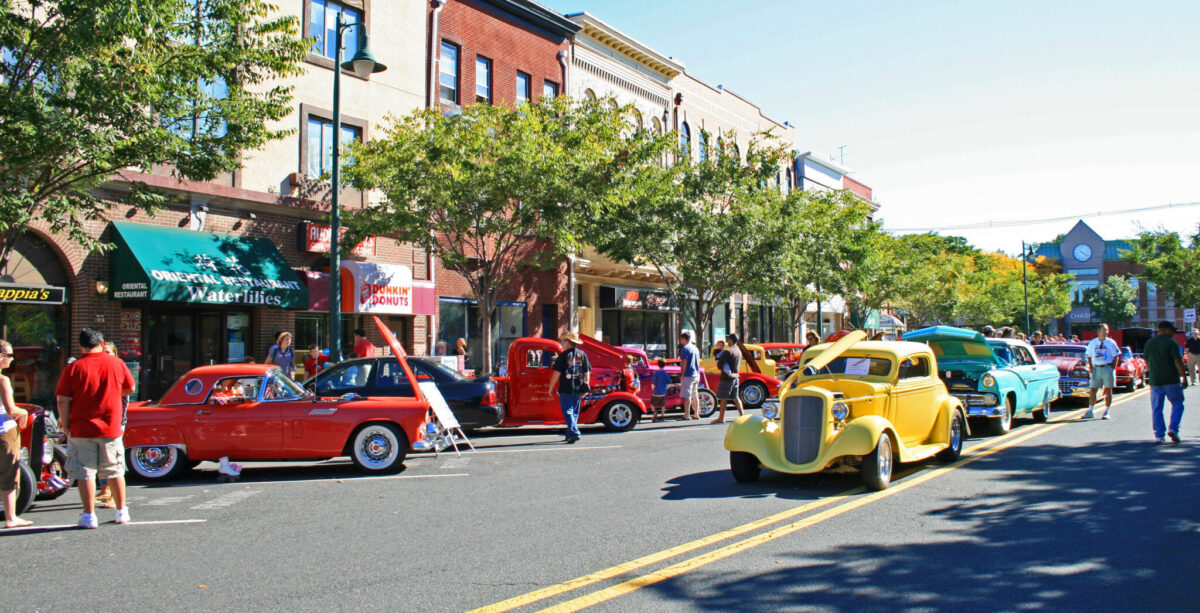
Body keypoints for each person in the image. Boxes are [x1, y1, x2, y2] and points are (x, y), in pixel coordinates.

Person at [55, 328, 135, 528]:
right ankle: (121, 511)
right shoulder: (116, 363)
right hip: (110, 426)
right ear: (101, 343)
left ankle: (88, 515)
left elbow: (62, 400)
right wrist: (113, 393)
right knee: (115, 470)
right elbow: (130, 388)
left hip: (81, 427)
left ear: (80, 345)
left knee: (85, 473)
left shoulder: (74, 368)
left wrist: (66, 425)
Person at [0, 340, 32, 528]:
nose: (13, 359)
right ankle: (11, 517)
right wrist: (24, 413)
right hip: (5, 431)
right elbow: (11, 409)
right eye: (10, 355)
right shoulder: (3, 379)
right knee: (9, 474)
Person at [1144, 320, 1188, 444]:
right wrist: (1184, 377)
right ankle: (1173, 428)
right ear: (1166, 329)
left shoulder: (1149, 343)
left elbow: (1146, 362)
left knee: (1157, 407)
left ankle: (1159, 435)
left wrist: (1151, 372)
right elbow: (1178, 361)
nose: (1173, 333)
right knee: (1178, 403)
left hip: (1155, 380)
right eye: (1172, 331)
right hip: (1171, 379)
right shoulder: (1171, 342)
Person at [549, 332, 591, 444]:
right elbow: (587, 371)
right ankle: (570, 434)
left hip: (566, 387)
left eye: (565, 341)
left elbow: (557, 373)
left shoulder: (563, 356)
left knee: (567, 410)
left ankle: (574, 432)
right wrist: (586, 384)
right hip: (579, 386)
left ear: (568, 342)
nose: (563, 343)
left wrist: (551, 387)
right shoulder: (582, 354)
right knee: (574, 411)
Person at [1081, 324, 1121, 420]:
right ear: (1098, 331)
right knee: (1093, 389)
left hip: (1107, 367)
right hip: (1096, 368)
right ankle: (1090, 410)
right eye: (1104, 330)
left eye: (1107, 330)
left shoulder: (1111, 342)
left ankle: (1107, 411)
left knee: (1108, 390)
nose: (1106, 332)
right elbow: (1089, 356)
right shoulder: (1093, 343)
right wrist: (1090, 367)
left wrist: (1112, 368)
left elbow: (1116, 355)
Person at [711, 333, 744, 424]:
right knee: (735, 397)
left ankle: (721, 418)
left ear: (731, 340)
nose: (727, 341)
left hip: (726, 377)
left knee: (723, 398)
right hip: (735, 376)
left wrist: (719, 364)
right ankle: (743, 416)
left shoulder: (728, 352)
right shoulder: (738, 351)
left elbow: (720, 364)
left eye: (728, 339)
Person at [678, 332, 701, 420]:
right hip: (696, 374)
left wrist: (682, 375)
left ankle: (687, 414)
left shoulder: (685, 348)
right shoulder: (695, 348)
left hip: (688, 374)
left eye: (681, 340)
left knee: (686, 395)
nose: (681, 342)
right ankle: (696, 413)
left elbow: (684, 363)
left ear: (684, 339)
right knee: (695, 394)